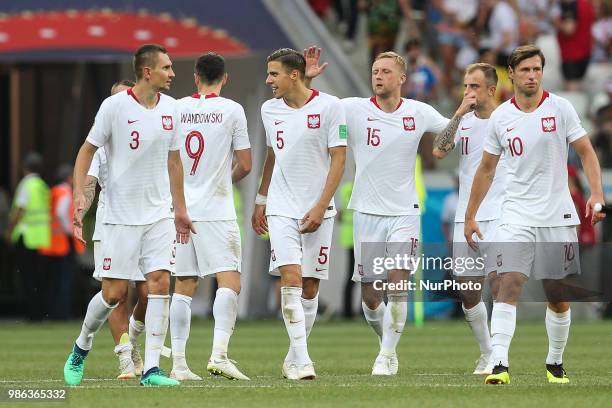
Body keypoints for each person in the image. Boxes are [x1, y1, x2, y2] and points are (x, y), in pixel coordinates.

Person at [465, 45, 605, 385]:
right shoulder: (501, 117)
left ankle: (555, 362)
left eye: (537, 69)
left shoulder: (561, 108)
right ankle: (499, 364)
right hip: (515, 215)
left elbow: (586, 153)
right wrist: (471, 216)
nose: (532, 75)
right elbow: (485, 170)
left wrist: (597, 193)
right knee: (508, 284)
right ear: (510, 74)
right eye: (525, 69)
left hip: (557, 215)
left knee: (557, 295)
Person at [306, 47, 450, 375]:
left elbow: (449, 133)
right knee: (371, 299)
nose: (378, 77)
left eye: (386, 72)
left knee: (398, 283)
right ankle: (387, 343)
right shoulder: (353, 109)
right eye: (375, 71)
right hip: (366, 213)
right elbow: (313, 106)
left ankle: (386, 354)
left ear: (402, 78)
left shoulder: (419, 112)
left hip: (404, 212)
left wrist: (459, 122)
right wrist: (309, 82)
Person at [64, 43, 194, 387]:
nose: (173, 72)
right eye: (167, 67)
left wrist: (179, 209)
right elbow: (87, 150)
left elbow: (175, 161)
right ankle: (82, 344)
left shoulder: (172, 109)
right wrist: (79, 195)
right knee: (113, 295)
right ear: (147, 71)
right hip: (120, 217)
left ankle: (151, 369)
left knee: (159, 284)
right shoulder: (114, 106)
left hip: (159, 215)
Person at [251, 48, 347, 380]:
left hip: (319, 208)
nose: (268, 80)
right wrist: (261, 199)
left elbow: (339, 159)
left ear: (294, 75)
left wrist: (322, 205)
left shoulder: (331, 106)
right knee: (289, 278)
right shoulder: (268, 109)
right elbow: (272, 155)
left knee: (309, 286)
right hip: (281, 208)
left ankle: (294, 354)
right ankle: (304, 361)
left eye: (274, 73)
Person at [170, 52, 251, 381]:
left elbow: (169, 158)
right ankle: (219, 354)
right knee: (229, 279)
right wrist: (220, 180)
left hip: (180, 208)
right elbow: (245, 165)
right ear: (225, 78)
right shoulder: (232, 110)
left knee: (184, 283)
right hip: (217, 208)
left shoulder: (176, 109)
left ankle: (177, 363)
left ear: (195, 77)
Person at [433, 62, 506, 375]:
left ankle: (500, 356)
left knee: (503, 286)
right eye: (465, 86)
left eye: (474, 87)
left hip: (502, 212)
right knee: (467, 290)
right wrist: (458, 114)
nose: (468, 92)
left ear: (491, 89)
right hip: (468, 215)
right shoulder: (462, 121)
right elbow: (438, 151)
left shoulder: (508, 119)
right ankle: (487, 351)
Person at [79, 79, 150, 380]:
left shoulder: (149, 134)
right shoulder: (101, 142)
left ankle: (131, 340)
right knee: (117, 295)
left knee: (149, 293)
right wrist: (80, 211)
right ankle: (125, 355)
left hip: (147, 221)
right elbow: (89, 181)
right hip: (112, 224)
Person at [5, 152, 51, 321]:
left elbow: (19, 210)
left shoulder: (26, 185)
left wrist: (9, 231)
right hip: (41, 238)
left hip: (26, 237)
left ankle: (31, 314)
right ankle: (40, 312)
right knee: (39, 277)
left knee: (27, 277)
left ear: (24, 167)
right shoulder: (42, 185)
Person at [39, 164, 86, 319]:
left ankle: (53, 312)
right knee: (64, 280)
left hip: (53, 243)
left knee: (54, 279)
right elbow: (60, 213)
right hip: (64, 244)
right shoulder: (65, 192)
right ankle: (63, 313)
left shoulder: (54, 191)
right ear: (69, 178)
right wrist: (70, 231)